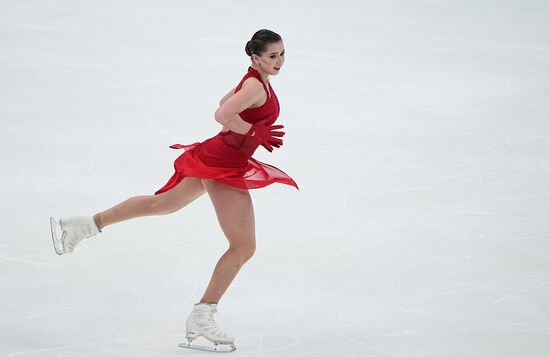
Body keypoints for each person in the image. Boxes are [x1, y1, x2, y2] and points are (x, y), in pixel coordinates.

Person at [49, 29, 298, 353]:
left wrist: (248, 130)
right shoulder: (255, 84)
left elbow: (226, 103)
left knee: (162, 205)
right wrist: (252, 130)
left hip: (220, 155)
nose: (279, 62)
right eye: (272, 56)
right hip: (223, 164)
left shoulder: (256, 80)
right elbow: (222, 114)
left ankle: (83, 224)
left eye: (282, 54)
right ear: (255, 57)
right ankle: (203, 314)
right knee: (243, 246)